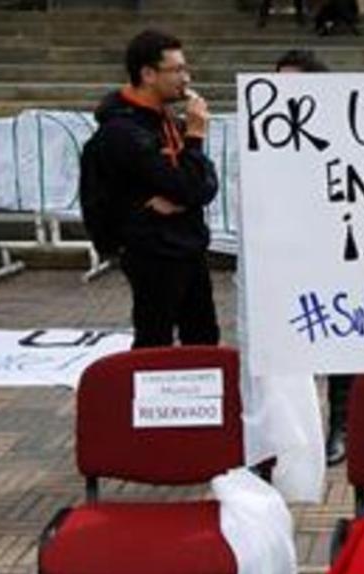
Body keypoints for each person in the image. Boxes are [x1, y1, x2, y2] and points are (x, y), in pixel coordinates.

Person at [86, 29, 220, 348]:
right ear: (148, 74)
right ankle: (153, 398)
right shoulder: (123, 132)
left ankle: (203, 398)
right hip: (153, 250)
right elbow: (186, 186)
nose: (186, 79)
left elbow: (203, 186)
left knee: (202, 336)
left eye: (185, 69)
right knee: (155, 339)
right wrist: (196, 136)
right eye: (176, 70)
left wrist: (185, 187)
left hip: (188, 244)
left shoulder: (168, 122)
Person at [271, 48, 347, 465]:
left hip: (334, 249)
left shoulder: (341, 127)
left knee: (339, 342)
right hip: (285, 252)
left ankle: (342, 426)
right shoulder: (266, 132)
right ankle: (286, 434)